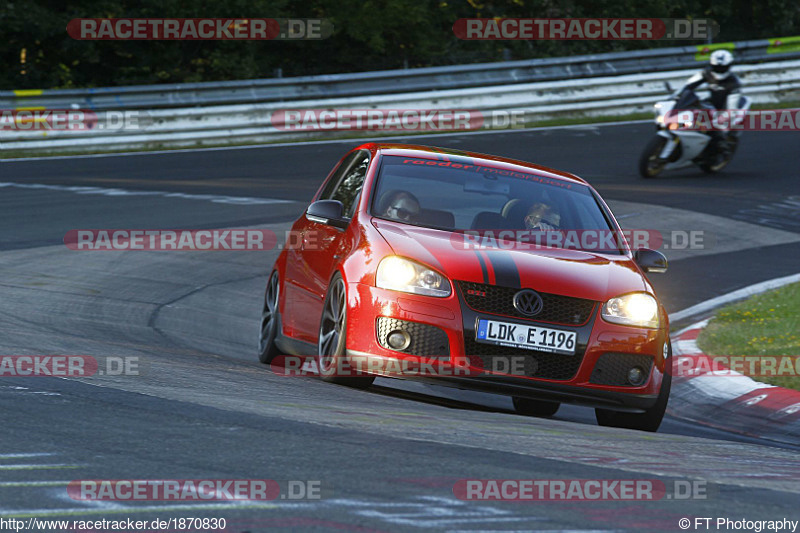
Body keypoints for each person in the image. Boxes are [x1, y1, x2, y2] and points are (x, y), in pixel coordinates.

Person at [674, 50, 743, 158]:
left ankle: (721, 145)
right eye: (717, 67)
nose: (719, 70)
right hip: (710, 103)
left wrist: (722, 118)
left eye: (723, 67)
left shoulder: (733, 83)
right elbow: (688, 85)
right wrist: (677, 96)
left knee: (716, 126)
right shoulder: (706, 73)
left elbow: (732, 108)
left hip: (724, 109)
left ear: (729, 66)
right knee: (692, 114)